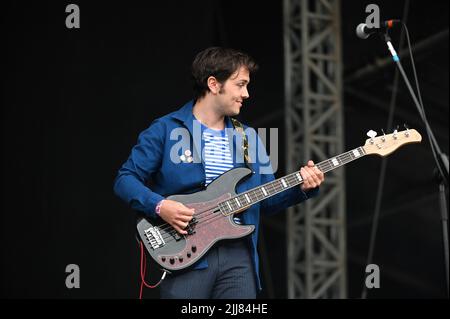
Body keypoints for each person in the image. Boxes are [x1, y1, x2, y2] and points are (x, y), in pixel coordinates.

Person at [113, 47, 324, 299]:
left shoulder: (249, 138)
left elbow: (265, 200)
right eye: (240, 85)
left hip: (239, 257)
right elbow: (125, 180)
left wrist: (302, 187)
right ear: (213, 84)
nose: (246, 94)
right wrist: (160, 207)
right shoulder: (165, 129)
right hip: (186, 252)